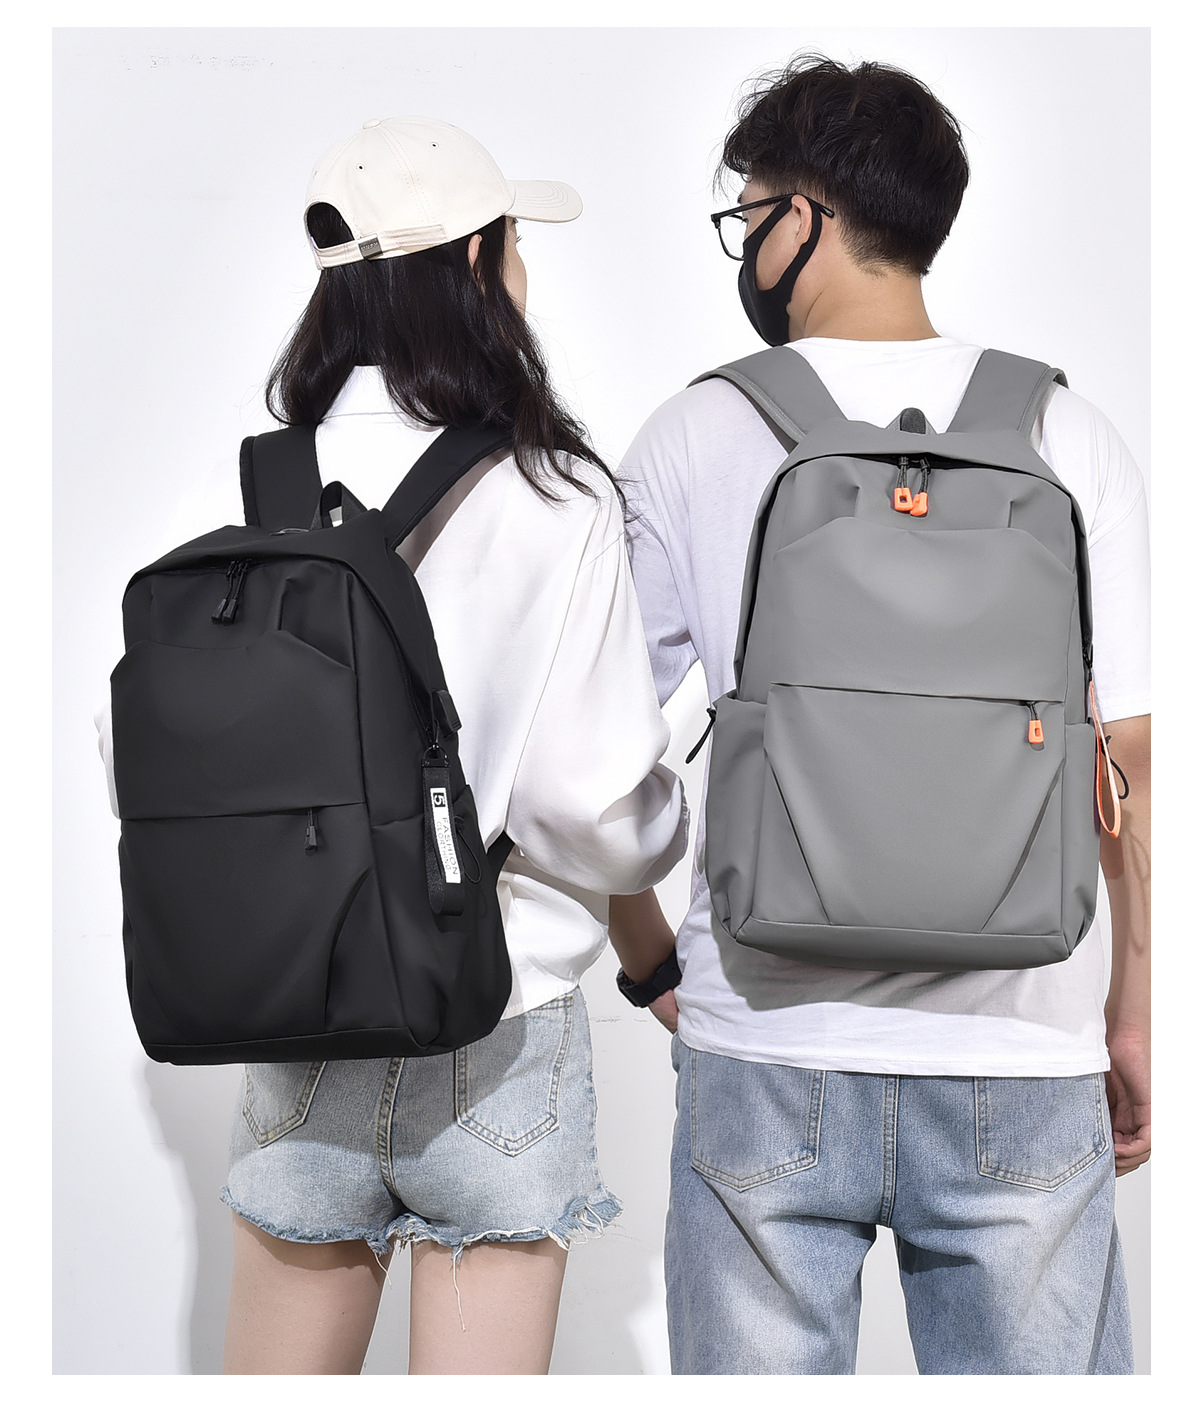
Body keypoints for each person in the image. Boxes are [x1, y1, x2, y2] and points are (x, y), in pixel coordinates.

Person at [101, 116, 687, 1375]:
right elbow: (587, 806)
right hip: (497, 1022)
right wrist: (668, 814)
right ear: (477, 261)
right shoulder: (555, 492)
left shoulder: (243, 483)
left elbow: (141, 750)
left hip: (297, 1017)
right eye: (514, 242)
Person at [609, 55, 1150, 1375]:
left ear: (806, 215)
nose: (747, 249)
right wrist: (1129, 1010)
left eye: (750, 216)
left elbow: (598, 754)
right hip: (1024, 1045)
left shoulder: (693, 433)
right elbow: (1126, 762)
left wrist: (648, 958)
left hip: (766, 1039)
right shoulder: (1069, 432)